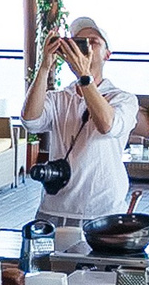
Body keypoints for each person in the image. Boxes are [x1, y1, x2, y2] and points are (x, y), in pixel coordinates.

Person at [20, 16, 140, 228]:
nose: (86, 47)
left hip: (102, 209)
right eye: (78, 42)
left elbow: (107, 125)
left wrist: (85, 77)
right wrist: (44, 66)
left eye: (93, 42)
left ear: (107, 55)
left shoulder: (122, 98)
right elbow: (30, 121)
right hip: (53, 207)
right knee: (45, 261)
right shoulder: (59, 97)